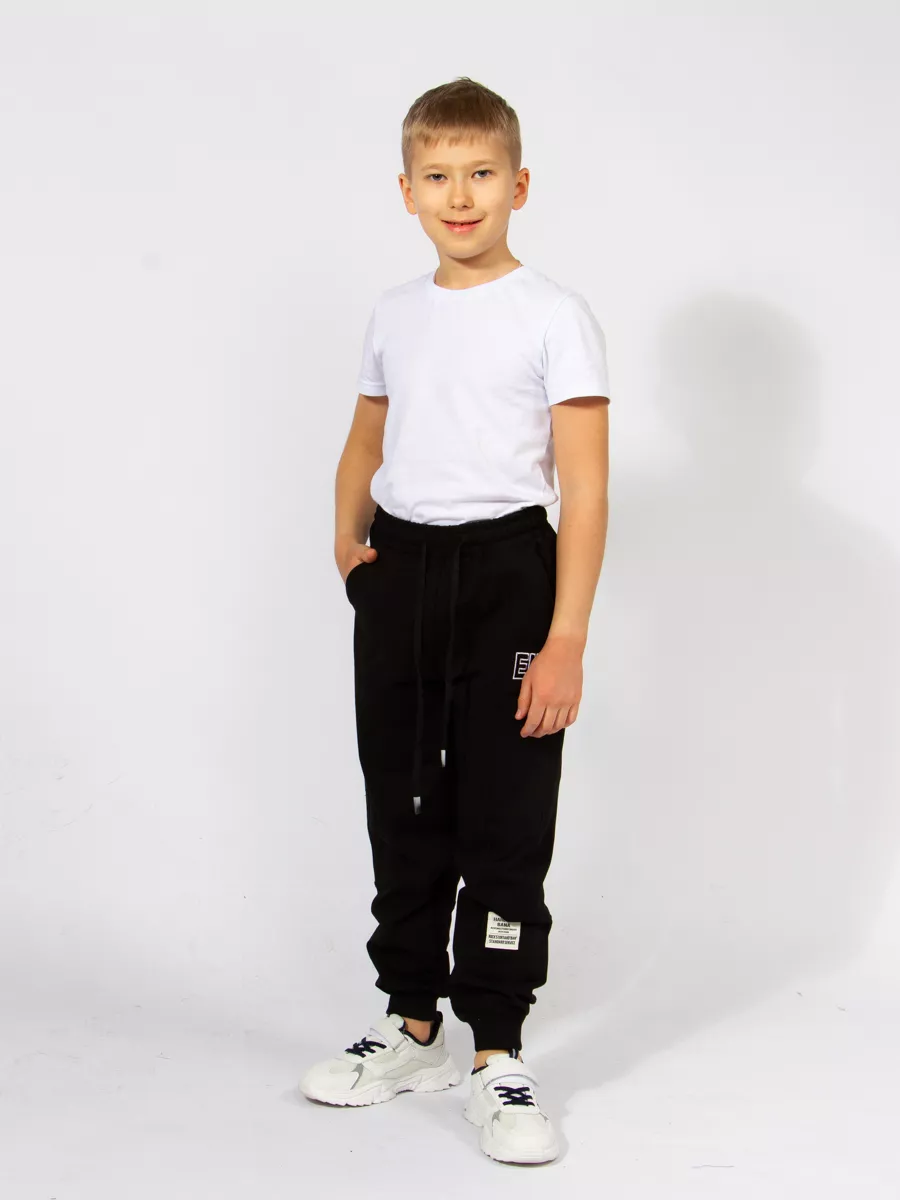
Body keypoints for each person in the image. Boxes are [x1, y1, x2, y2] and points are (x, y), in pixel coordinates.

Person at [299, 76, 610, 1166]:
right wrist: (351, 542)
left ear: (519, 184)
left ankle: (498, 1052)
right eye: (438, 176)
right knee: (403, 798)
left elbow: (586, 489)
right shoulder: (395, 312)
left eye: (481, 173)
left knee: (505, 811)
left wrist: (565, 638)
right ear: (406, 191)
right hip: (404, 569)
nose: (460, 195)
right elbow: (365, 437)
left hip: (509, 572)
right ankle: (412, 1023)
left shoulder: (555, 315)